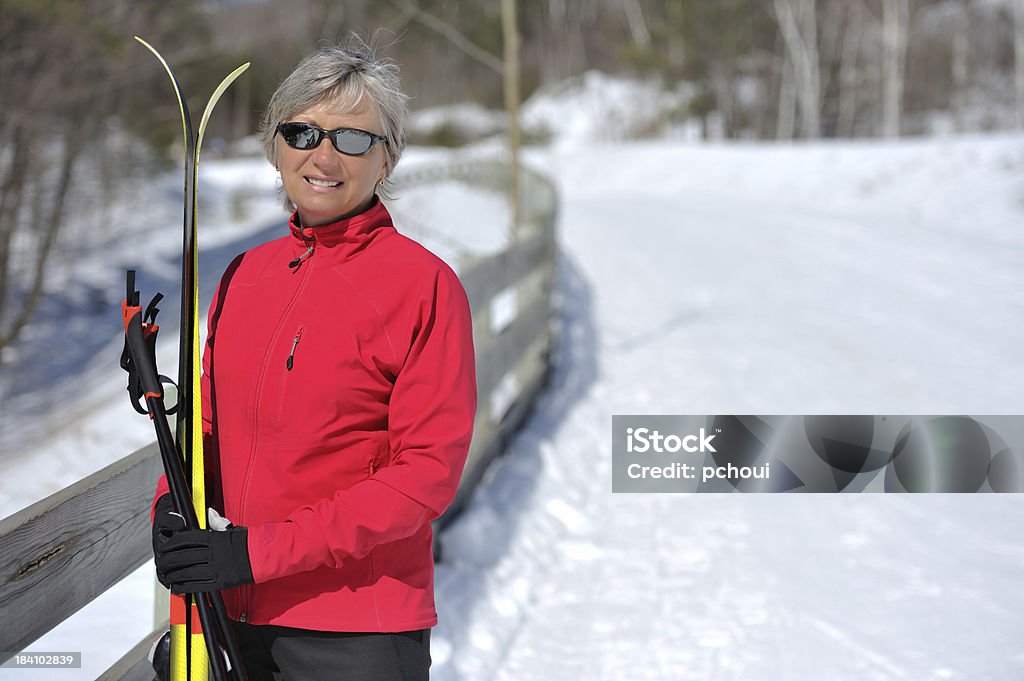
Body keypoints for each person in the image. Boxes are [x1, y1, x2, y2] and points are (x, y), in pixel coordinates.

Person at [150, 37, 477, 681]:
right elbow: (207, 424)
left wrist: (259, 553)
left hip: (355, 630)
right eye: (301, 133)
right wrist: (169, 503)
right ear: (276, 151)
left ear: (387, 160)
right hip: (227, 617)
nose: (323, 156)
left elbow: (424, 475)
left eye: (354, 139)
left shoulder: (424, 285)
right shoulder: (245, 274)